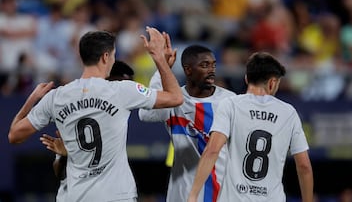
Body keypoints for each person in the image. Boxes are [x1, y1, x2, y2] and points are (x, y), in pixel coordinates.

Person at [8, 27, 183, 201]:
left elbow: (14, 135)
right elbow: (175, 97)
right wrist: (159, 58)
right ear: (105, 57)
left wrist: (32, 99)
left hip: (76, 196)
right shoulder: (121, 90)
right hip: (117, 196)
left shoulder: (56, 97)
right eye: (113, 55)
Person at [188, 52, 313, 202]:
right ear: (272, 83)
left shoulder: (230, 105)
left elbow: (212, 150)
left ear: (246, 78)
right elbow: (304, 165)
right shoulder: (289, 112)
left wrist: (193, 195)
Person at [138, 44, 236, 202]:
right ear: (188, 69)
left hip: (219, 192)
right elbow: (145, 114)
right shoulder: (174, 99)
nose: (212, 70)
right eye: (205, 65)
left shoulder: (229, 101)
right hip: (179, 191)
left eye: (213, 65)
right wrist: (162, 67)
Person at [40, 59, 136, 202]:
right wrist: (67, 155)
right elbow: (59, 173)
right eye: (121, 84)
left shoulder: (118, 116)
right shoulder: (78, 111)